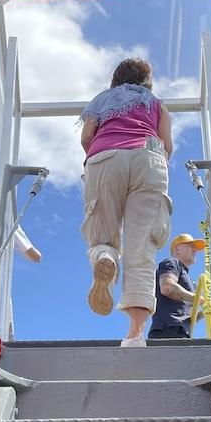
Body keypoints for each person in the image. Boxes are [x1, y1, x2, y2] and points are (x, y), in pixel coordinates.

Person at [80, 58, 173, 348]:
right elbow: (167, 146)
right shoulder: (156, 104)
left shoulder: (102, 100)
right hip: (149, 158)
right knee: (142, 246)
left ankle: (105, 257)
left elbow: (86, 137)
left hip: (105, 158)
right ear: (147, 80)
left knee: (102, 233)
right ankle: (135, 335)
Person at [149, 233, 205, 340]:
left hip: (180, 331)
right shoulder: (172, 263)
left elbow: (187, 317)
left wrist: (204, 312)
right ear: (177, 249)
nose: (195, 250)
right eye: (190, 246)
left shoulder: (184, 275)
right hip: (168, 330)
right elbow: (167, 287)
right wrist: (199, 299)